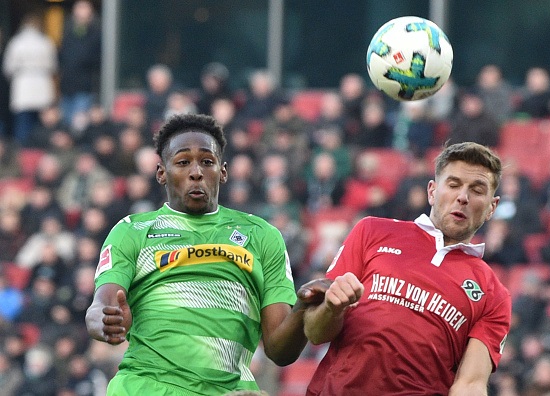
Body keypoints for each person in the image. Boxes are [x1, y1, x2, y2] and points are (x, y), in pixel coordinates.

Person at [85, 113, 311, 395]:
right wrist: (106, 321)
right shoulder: (133, 230)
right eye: (182, 162)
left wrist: (303, 309)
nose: (196, 172)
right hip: (145, 387)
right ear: (161, 173)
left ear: (223, 171)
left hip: (230, 391)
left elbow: (280, 351)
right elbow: (101, 305)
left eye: (207, 161)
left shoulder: (262, 235)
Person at [298, 141, 512, 395]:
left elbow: (471, 384)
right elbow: (314, 332)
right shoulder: (372, 231)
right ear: (432, 191)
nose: (462, 197)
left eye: (477, 190)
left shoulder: (493, 295)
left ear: (492, 207)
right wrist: (331, 308)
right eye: (453, 185)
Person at [2, 13, 58, 146]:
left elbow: (8, 68)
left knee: (23, 124)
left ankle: (23, 153)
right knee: (42, 125)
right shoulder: (45, 42)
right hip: (42, 86)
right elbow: (53, 67)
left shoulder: (16, 42)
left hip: (23, 88)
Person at [58, 0, 102, 128]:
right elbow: (64, 58)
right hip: (67, 87)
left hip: (85, 88)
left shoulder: (96, 34)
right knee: (66, 125)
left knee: (79, 126)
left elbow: (92, 59)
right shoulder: (68, 33)